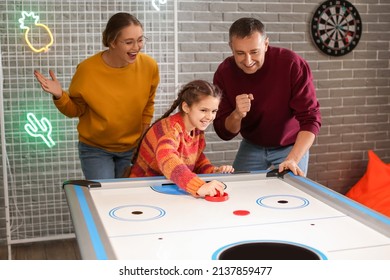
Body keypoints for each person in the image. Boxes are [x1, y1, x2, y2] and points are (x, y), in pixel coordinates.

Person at [34, 12, 160, 180]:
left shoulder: (149, 66)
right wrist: (60, 95)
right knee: (105, 198)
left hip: (133, 148)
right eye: (129, 42)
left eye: (140, 40)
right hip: (96, 150)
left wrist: (143, 138)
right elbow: (75, 110)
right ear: (111, 42)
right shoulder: (87, 70)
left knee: (127, 199)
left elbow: (148, 105)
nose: (136, 47)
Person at [213, 17, 321, 177]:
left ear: (266, 44)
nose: (248, 60)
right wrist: (237, 114)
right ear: (231, 47)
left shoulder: (292, 64)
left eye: (254, 52)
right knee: (239, 192)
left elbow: (311, 119)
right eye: (240, 53)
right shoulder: (224, 73)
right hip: (252, 145)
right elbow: (224, 132)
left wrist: (293, 159)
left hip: (290, 147)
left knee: (288, 197)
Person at [128, 80, 234, 198]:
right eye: (203, 110)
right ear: (186, 107)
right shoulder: (170, 130)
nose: (210, 117)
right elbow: (168, 160)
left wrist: (213, 172)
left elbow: (196, 160)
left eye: (214, 111)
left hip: (167, 187)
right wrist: (199, 186)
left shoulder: (196, 129)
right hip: (142, 190)